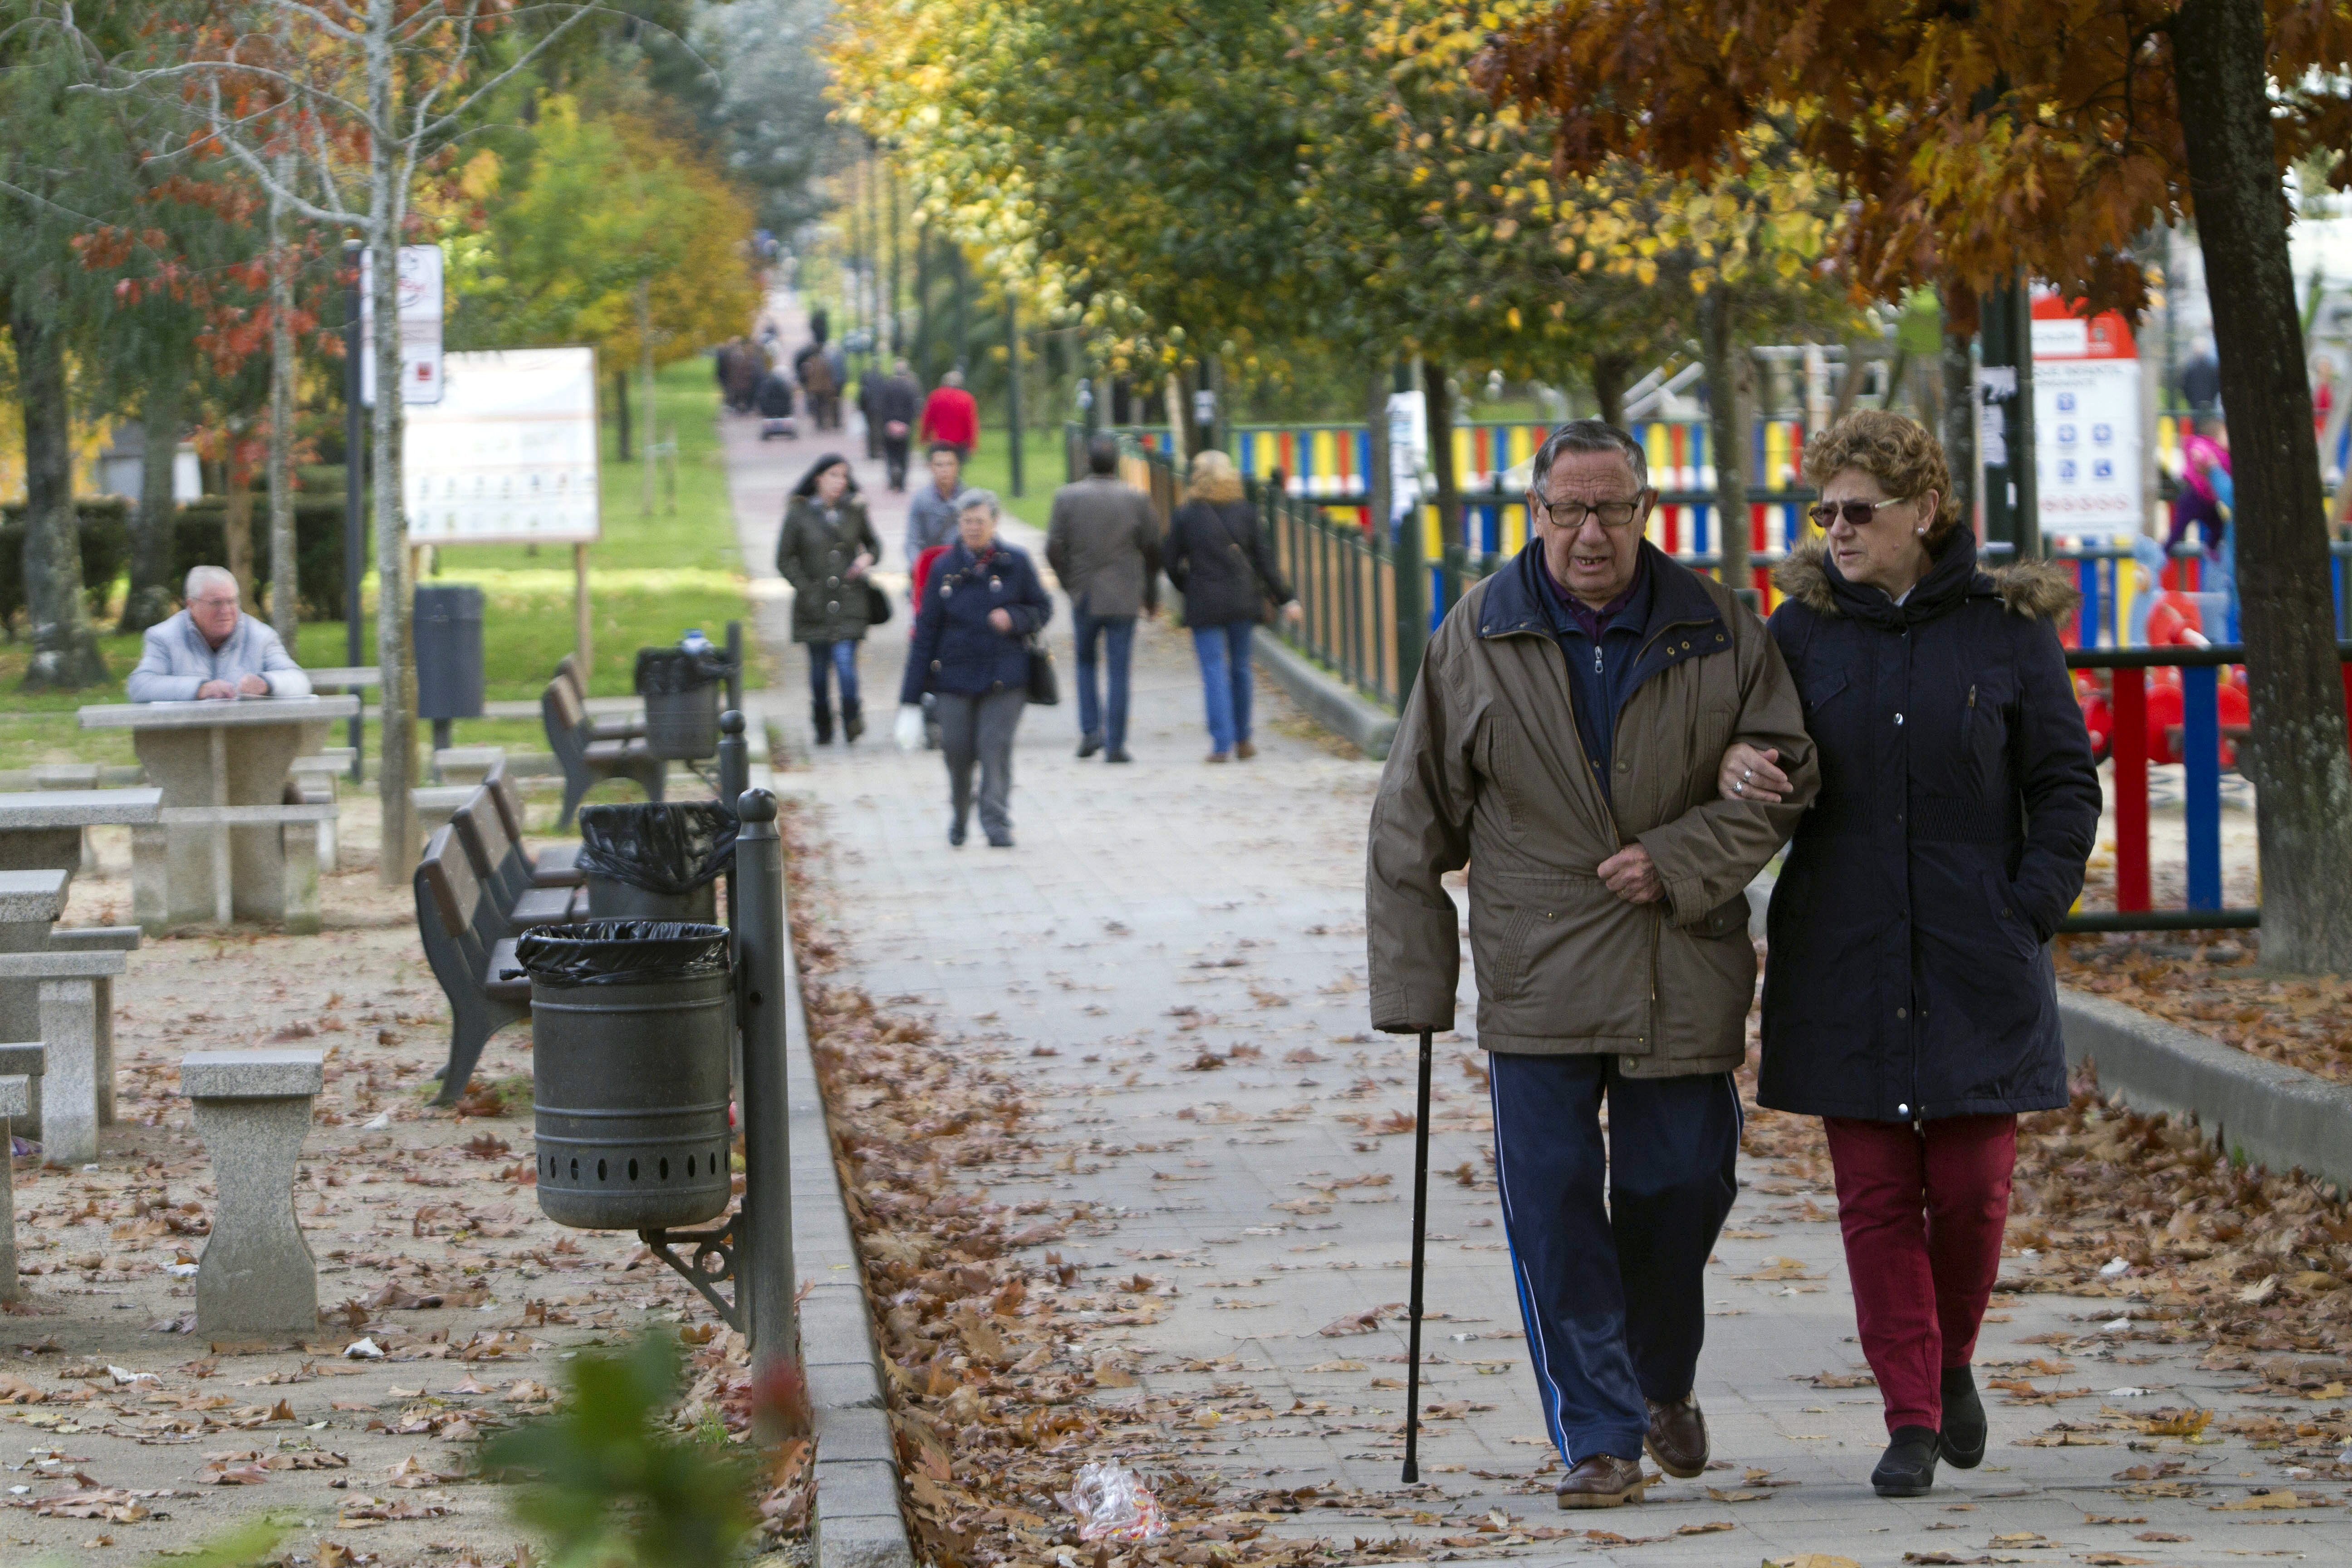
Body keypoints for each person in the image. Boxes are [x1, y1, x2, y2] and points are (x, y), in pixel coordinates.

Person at [1366, 419, 1818, 1511]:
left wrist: (1676, 858)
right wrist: (1414, 987)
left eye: (1610, 508)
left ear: (1644, 509)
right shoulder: (1474, 633)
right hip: (1538, 969)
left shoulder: (1718, 625)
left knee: (1680, 1181)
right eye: (1566, 509)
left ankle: (1657, 1374)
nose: (1588, 532)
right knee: (1553, 1204)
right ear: (1533, 513)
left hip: (1679, 959)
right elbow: (1407, 819)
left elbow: (1788, 775)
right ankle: (1601, 1432)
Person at [1720, 410, 2099, 1499]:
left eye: (1858, 511)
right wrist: (1743, 764)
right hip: (1843, 944)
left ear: (1922, 512)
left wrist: (2027, 902)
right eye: (1822, 511)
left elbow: (2063, 783)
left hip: (1976, 948)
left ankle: (1949, 1356)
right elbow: (1757, 752)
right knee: (1874, 1194)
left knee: (1973, 1187)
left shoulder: (2004, 628)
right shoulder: (1799, 631)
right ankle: (1908, 1416)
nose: (1835, 530)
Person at [896, 489, 1051, 848]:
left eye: (980, 521)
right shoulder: (943, 568)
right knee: (956, 749)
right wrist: (910, 698)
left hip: (1005, 676)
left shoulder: (1016, 562)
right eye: (966, 521)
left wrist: (1013, 617)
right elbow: (926, 631)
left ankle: (996, 820)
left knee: (994, 745)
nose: (973, 528)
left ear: (994, 523)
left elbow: (1042, 609)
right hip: (954, 677)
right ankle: (961, 811)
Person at [1162, 449, 1297, 763]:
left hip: (1204, 601)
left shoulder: (1186, 515)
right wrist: (1286, 597)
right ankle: (1244, 739)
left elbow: (1170, 561)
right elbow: (1265, 561)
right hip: (1241, 600)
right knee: (1240, 669)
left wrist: (1188, 586)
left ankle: (1221, 744)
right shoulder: (1247, 513)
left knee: (1213, 671)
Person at [1047, 435, 1161, 762]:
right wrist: (1150, 594)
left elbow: (1053, 548)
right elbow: (1153, 549)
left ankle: (1090, 731)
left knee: (1085, 663)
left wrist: (1068, 583)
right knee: (1119, 669)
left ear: (1087, 461)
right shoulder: (1137, 499)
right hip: (1124, 594)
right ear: (1117, 464)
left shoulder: (1067, 498)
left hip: (1084, 593)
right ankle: (1115, 744)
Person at [775, 454, 882, 745]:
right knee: (819, 672)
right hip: (814, 605)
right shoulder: (799, 514)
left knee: (846, 663)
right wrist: (805, 588)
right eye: (834, 475)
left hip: (850, 602)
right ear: (818, 478)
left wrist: (865, 559)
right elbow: (784, 559)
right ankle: (822, 724)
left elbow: (874, 545)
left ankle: (852, 718)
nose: (840, 482)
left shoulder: (855, 511)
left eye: (845, 476)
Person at [128, 566, 314, 702]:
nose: (226, 611)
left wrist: (267, 684)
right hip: (184, 744)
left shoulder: (261, 636)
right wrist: (199, 689)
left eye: (232, 602)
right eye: (216, 603)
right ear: (191, 605)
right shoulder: (163, 637)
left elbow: (299, 681)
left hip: (250, 743)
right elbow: (141, 686)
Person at [2167, 416, 2231, 557]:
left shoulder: (2224, 454)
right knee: (2178, 528)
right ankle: (2164, 551)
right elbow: (2199, 450)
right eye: (2225, 434)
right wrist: (2202, 458)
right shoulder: (2207, 445)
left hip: (2208, 501)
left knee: (2218, 527)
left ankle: (2212, 550)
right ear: (2215, 435)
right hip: (2195, 495)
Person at [905, 444, 965, 563]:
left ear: (958, 466)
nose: (945, 470)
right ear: (930, 467)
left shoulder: (969, 499)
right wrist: (920, 566)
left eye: (950, 464)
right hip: (930, 564)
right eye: (939, 465)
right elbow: (912, 542)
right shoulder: (920, 500)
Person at [875, 359, 924, 491]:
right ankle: (902, 483)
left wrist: (888, 422)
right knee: (904, 454)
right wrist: (907, 422)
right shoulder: (911, 387)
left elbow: (882, 406)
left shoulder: (888, 385)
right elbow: (914, 408)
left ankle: (892, 479)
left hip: (890, 425)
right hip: (905, 426)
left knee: (890, 453)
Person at [918, 368, 979, 459]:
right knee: (956, 470)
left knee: (940, 468)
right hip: (959, 445)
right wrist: (972, 444)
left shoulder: (935, 396)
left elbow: (927, 420)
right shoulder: (967, 399)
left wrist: (924, 438)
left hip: (940, 443)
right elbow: (970, 423)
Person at [2178, 336, 2221, 415]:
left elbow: (2184, 386)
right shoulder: (2211, 367)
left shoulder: (2190, 367)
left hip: (2198, 402)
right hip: (2202, 402)